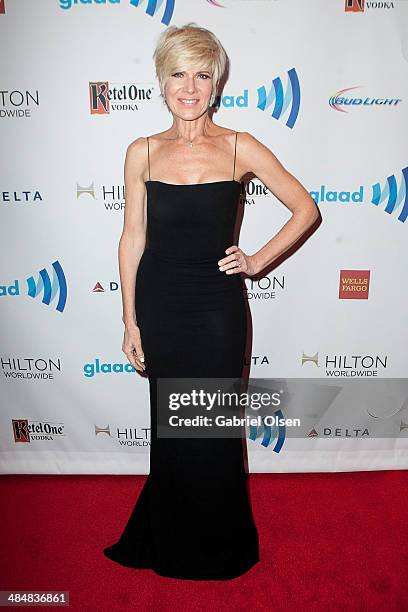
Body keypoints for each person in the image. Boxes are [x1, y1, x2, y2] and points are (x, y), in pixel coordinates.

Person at [103, 22, 319, 581]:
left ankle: (219, 547)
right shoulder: (142, 152)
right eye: (178, 74)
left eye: (202, 75)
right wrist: (129, 319)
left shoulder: (239, 146)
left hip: (217, 308)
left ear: (216, 83)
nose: (190, 87)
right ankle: (169, 540)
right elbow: (132, 238)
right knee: (169, 424)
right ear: (161, 81)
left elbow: (305, 209)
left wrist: (256, 260)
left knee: (214, 426)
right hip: (161, 304)